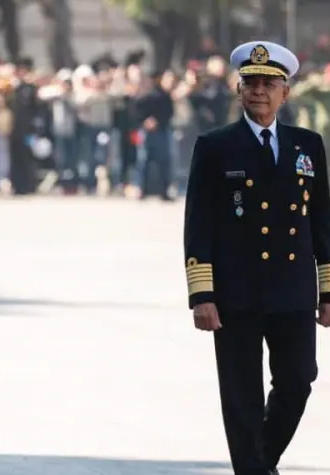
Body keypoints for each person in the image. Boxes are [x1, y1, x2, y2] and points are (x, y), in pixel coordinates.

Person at [183, 41, 330, 475]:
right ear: (238, 90)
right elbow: (198, 225)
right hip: (237, 293)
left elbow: (322, 222)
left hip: (293, 291)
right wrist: (202, 295)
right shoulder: (215, 146)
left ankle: (260, 461)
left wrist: (327, 291)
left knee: (298, 381)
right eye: (250, 83)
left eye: (268, 84)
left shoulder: (307, 146)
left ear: (286, 92)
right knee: (241, 395)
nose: (259, 91)